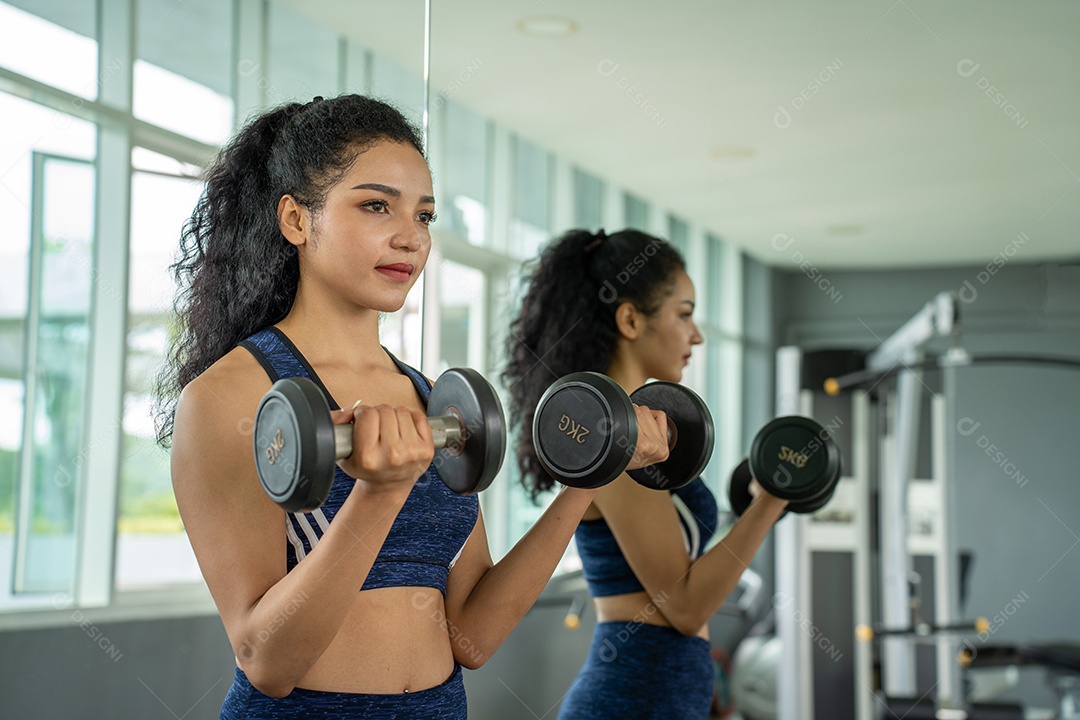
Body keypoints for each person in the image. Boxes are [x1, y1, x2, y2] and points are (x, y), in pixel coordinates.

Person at [155, 95, 670, 720]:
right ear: (295, 220)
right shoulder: (230, 396)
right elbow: (267, 661)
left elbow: (472, 637)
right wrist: (381, 492)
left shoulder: (431, 399)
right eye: (376, 205)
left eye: (423, 215)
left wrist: (591, 476)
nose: (411, 237)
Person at [503, 228, 789, 720]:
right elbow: (685, 607)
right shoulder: (612, 440)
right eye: (684, 314)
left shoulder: (644, 430)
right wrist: (770, 503)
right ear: (631, 319)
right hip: (631, 697)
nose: (696, 335)